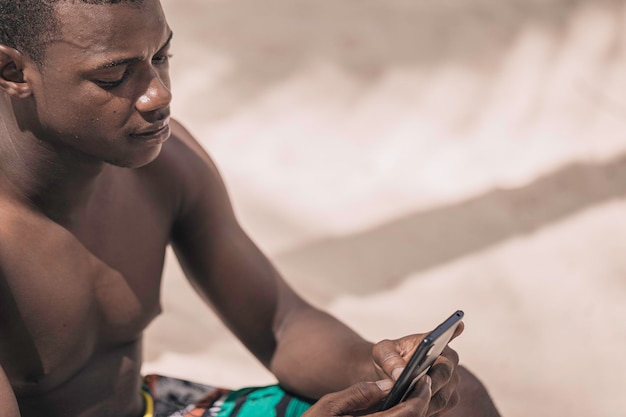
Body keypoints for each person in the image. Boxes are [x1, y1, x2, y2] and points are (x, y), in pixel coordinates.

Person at [0, 1, 501, 416]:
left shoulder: (164, 164)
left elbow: (280, 322)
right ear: (12, 71)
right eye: (114, 75)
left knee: (457, 403)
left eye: (162, 56)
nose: (159, 94)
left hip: (149, 406)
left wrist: (381, 370)